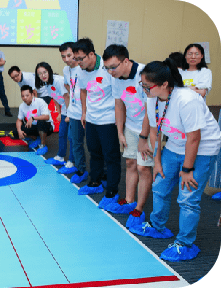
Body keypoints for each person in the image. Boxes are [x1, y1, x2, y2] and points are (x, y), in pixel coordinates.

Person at [129, 58, 221, 262]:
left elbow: (194, 138)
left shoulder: (187, 100)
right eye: (141, 84)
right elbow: (155, 132)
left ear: (164, 85)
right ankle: (156, 226)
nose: (143, 88)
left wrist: (187, 169)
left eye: (147, 85)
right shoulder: (152, 98)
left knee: (188, 197)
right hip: (176, 144)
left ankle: (185, 243)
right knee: (160, 185)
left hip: (203, 147)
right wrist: (158, 163)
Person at [101, 45, 154, 224]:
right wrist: (120, 132)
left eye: (113, 67)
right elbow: (119, 105)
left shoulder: (144, 74)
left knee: (143, 168)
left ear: (126, 61)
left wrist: (144, 137)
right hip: (130, 126)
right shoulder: (115, 77)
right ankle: (129, 200)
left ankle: (139, 208)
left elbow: (150, 110)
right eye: (106, 68)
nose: (110, 72)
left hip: (149, 129)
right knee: (130, 162)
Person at [73, 38, 121, 198]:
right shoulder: (80, 70)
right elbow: (83, 91)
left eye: (81, 58)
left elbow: (118, 96)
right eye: (76, 59)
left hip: (108, 120)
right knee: (94, 152)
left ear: (91, 54)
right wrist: (84, 112)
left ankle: (112, 190)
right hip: (91, 119)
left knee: (111, 156)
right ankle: (95, 182)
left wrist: (119, 120)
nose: (78, 62)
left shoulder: (107, 68)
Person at [57, 42, 88, 183]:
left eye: (69, 55)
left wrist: (84, 111)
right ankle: (81, 170)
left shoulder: (83, 68)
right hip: (74, 112)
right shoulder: (66, 70)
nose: (67, 59)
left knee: (94, 146)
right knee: (75, 142)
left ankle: (101, 176)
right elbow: (67, 86)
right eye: (63, 56)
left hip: (87, 112)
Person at [35, 62, 73, 169]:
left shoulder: (58, 81)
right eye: (40, 74)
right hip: (65, 110)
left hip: (73, 110)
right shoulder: (47, 84)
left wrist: (69, 114)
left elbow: (67, 96)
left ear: (49, 71)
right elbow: (55, 98)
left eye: (45, 72)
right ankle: (60, 157)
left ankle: (71, 161)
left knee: (71, 137)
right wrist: (60, 113)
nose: (43, 75)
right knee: (62, 134)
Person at [13, 85, 54, 155]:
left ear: (32, 95)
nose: (25, 98)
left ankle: (43, 145)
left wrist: (33, 118)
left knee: (41, 121)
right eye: (22, 96)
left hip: (47, 126)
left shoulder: (40, 101)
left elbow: (46, 117)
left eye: (27, 95)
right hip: (34, 126)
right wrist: (19, 131)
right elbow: (19, 120)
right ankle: (35, 138)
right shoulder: (22, 106)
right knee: (16, 132)